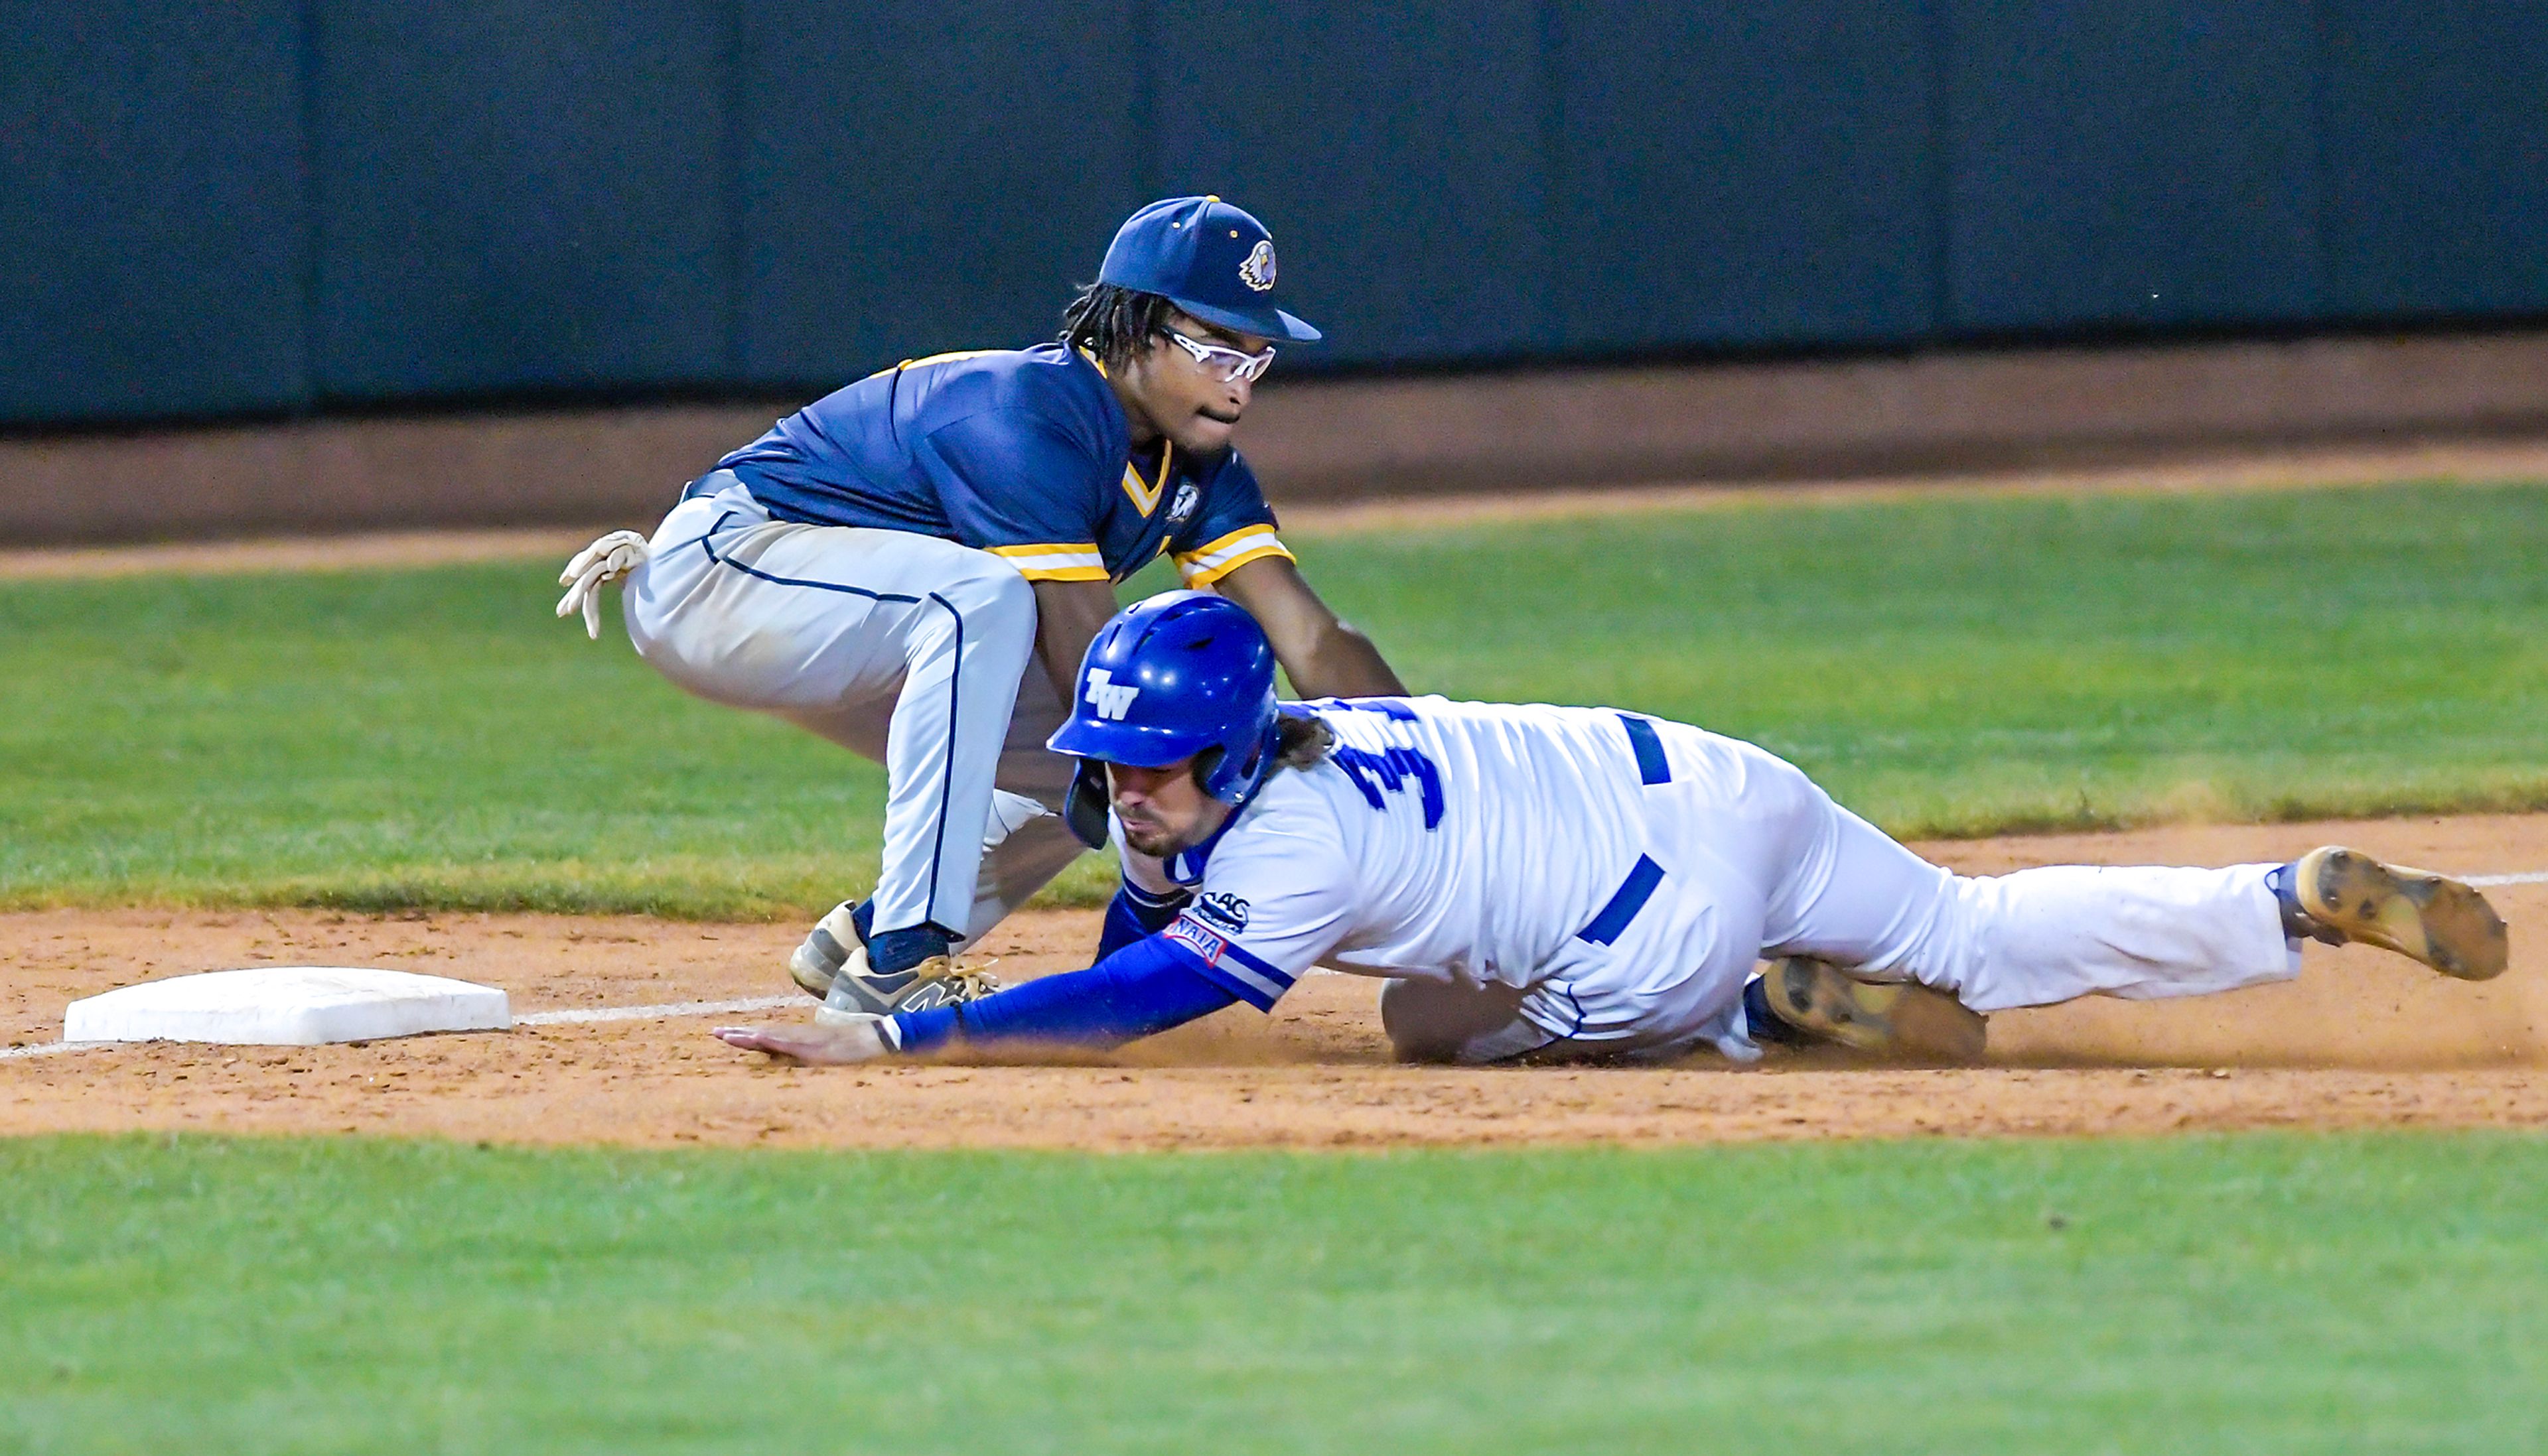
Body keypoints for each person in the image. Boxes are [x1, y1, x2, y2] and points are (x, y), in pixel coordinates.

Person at [712, 592, 2511, 1067]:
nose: (1131, 795)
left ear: (1233, 757)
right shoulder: (1293, 753)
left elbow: (1143, 995)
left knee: (1426, 1027)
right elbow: (1139, 908)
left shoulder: (1290, 849)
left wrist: (912, 1039)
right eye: (1117, 767)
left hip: (1651, 927)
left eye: (1158, 767)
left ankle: (1751, 1019)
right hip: (1725, 782)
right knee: (1971, 930)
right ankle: (2285, 899)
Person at [554, 198, 1404, 1019]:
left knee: (1077, 780)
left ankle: (869, 929)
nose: (1241, 383)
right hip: (727, 575)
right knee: (995, 616)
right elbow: (1091, 664)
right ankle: (903, 963)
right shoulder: (1025, 414)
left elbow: (1311, 633)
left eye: (1257, 358)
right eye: (1219, 349)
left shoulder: (1199, 467)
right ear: (1139, 330)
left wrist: (1419, 757)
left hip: (855, 621)